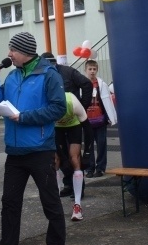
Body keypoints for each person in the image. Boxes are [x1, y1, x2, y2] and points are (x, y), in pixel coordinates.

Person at [0, 32, 67, 245]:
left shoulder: (48, 74)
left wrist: (25, 117)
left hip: (41, 150)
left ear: (25, 51)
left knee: (50, 203)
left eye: (12, 50)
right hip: (15, 152)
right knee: (9, 204)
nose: (9, 54)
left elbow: (58, 108)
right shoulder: (12, 75)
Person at [40, 52, 93, 195]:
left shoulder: (68, 72)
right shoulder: (43, 75)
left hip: (73, 117)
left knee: (74, 156)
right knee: (60, 156)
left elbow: (87, 84)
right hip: (57, 121)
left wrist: (82, 106)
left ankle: (79, 189)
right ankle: (68, 185)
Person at [54, 92, 90, 221]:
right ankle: (56, 205)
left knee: (74, 159)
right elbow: (50, 136)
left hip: (74, 125)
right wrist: (63, 159)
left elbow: (88, 129)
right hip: (56, 127)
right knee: (55, 160)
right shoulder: (47, 104)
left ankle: (77, 205)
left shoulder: (73, 103)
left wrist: (87, 153)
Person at [84, 59, 117, 178]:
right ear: (85, 70)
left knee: (101, 145)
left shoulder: (102, 84)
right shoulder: (82, 84)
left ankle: (100, 168)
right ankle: (89, 168)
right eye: (90, 69)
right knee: (88, 146)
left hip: (100, 120)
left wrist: (110, 117)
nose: (92, 71)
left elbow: (108, 101)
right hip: (86, 121)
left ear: (97, 70)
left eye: (94, 69)